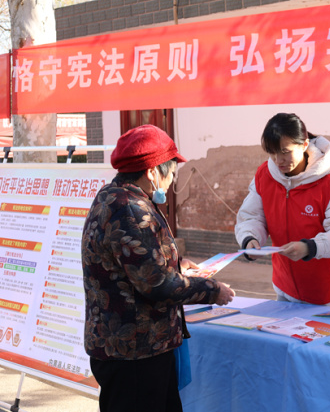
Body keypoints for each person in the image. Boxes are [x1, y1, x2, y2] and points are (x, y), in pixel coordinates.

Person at [82, 125, 235, 412]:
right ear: (153, 172)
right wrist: (212, 290)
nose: (172, 180)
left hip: (133, 347)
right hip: (135, 352)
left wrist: (175, 264)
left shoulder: (114, 196)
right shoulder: (130, 208)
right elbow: (158, 285)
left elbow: (135, 263)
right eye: (171, 173)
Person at [235, 113, 330, 307]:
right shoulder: (264, 176)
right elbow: (251, 216)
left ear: (304, 145)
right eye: (272, 153)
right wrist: (250, 238)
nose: (278, 160)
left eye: (285, 152)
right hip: (284, 287)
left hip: (327, 293)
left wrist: (310, 247)